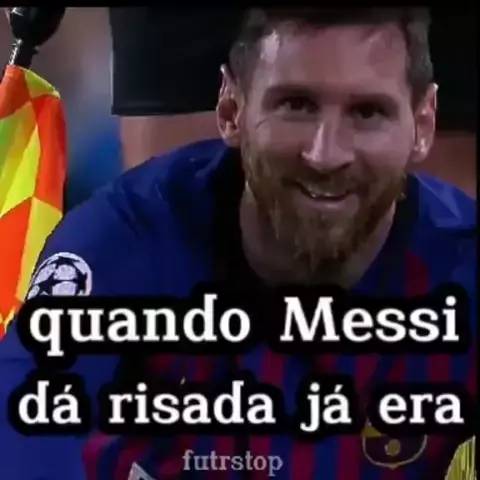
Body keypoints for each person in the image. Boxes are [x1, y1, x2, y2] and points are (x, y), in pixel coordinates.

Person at [0, 7, 476, 480]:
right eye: (296, 104)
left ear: (423, 126)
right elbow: (23, 413)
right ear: (230, 110)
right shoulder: (123, 242)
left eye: (368, 112)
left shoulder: (464, 268)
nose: (325, 155)